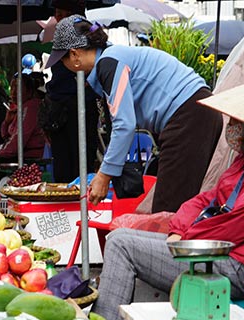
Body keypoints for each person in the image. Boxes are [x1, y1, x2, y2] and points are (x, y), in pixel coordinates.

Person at [91, 76, 244, 320]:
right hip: (216, 248)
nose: (232, 126)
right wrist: (179, 229)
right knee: (119, 236)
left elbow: (233, 225)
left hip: (239, 267)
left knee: (122, 246)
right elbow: (207, 199)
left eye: (238, 121)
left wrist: (184, 237)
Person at [46, 15, 224, 212]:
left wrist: (104, 176)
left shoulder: (109, 63)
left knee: (167, 210)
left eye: (62, 60)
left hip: (190, 115)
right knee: (181, 207)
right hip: (198, 111)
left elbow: (124, 125)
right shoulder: (112, 57)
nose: (64, 65)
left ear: (74, 55)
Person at [44, 0, 101, 183]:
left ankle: (81, 200)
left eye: (61, 13)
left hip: (82, 109)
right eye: (56, 13)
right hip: (60, 112)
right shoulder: (59, 42)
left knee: (81, 161)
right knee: (62, 165)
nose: (57, 17)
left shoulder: (87, 44)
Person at [0, 73, 47, 179]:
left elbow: (19, 139)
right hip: (15, 153)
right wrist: (7, 122)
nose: (13, 92)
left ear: (29, 91)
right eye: (12, 87)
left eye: (17, 87)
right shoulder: (20, 108)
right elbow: (6, 136)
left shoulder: (31, 107)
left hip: (27, 156)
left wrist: (0, 154)